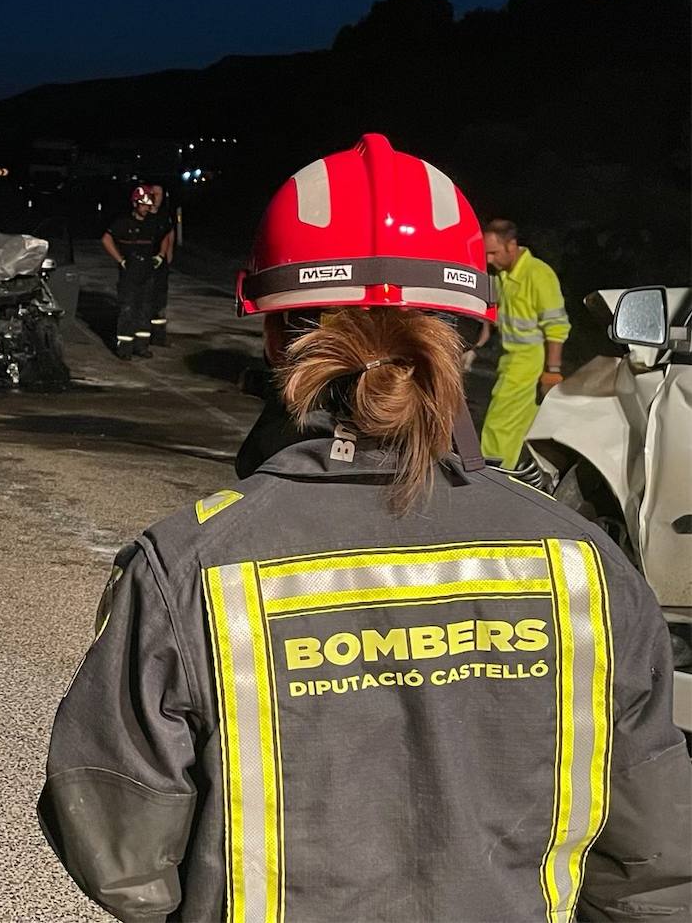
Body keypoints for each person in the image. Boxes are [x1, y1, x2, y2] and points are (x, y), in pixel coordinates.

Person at [39, 134, 689, 923]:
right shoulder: (589, 568)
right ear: (467, 332)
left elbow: (120, 852)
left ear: (276, 336)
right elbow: (652, 870)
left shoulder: (186, 568)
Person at [480, 218, 569, 467]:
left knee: (498, 425)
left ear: (512, 245)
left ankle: (491, 478)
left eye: (494, 253)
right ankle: (512, 480)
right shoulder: (504, 276)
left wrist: (552, 371)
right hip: (512, 359)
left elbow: (556, 327)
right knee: (521, 428)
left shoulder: (538, 274)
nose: (488, 260)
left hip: (526, 361)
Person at [100, 185, 165, 359]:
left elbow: (167, 234)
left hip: (147, 272)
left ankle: (141, 346)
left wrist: (161, 255)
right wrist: (120, 260)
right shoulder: (123, 223)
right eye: (143, 204)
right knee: (128, 309)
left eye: (148, 205)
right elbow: (106, 239)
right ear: (135, 204)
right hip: (130, 273)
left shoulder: (152, 221)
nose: (146, 208)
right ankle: (124, 348)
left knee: (145, 309)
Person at [147, 183, 176, 346]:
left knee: (160, 299)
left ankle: (158, 336)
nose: (158, 197)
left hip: (160, 263)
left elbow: (168, 233)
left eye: (160, 194)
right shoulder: (143, 213)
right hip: (145, 262)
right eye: (155, 194)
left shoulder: (164, 215)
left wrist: (167, 253)